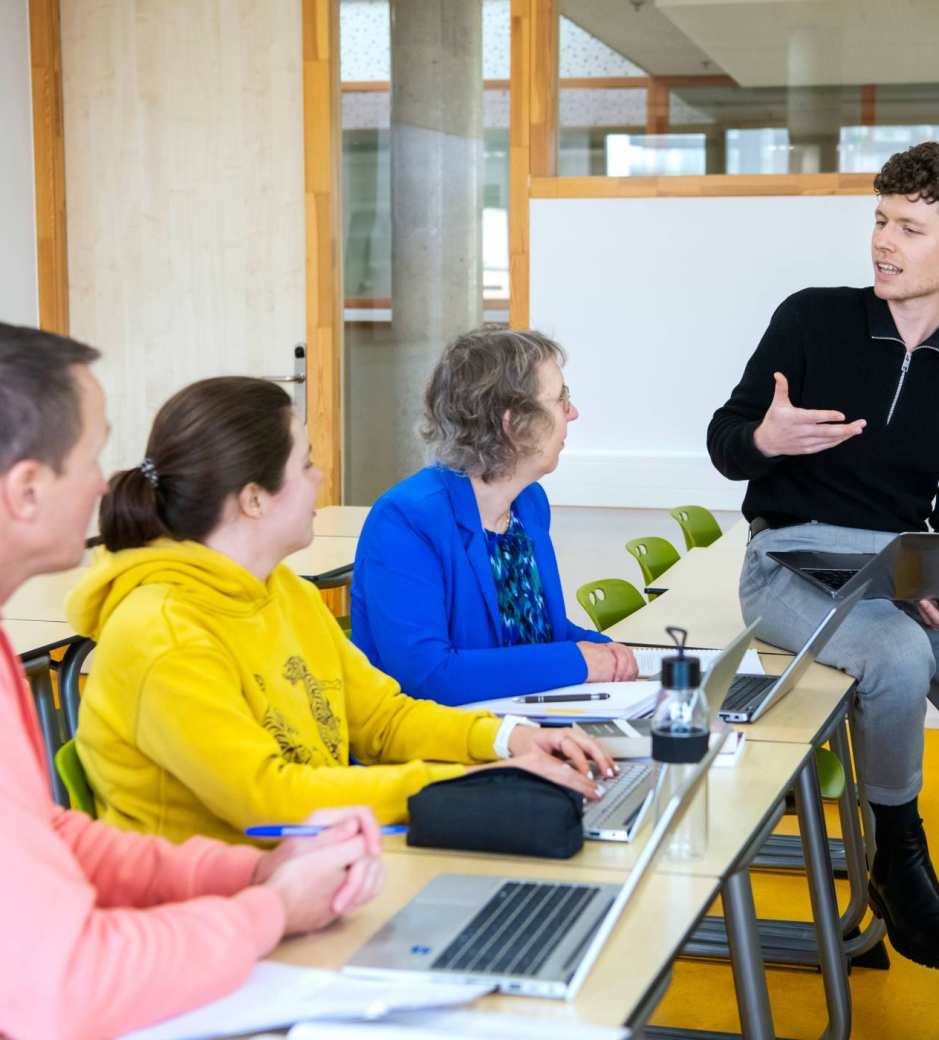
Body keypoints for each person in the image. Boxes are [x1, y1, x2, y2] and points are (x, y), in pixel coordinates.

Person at [707, 141, 939, 1038]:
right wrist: (767, 442)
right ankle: (898, 847)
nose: (883, 242)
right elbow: (727, 440)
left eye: (909, 227)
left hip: (904, 567)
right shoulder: (812, 319)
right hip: (790, 561)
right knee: (895, 653)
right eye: (880, 220)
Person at [0, 325, 385, 1040]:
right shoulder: (160, 628)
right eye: (90, 455)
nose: (105, 482)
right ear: (26, 490)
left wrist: (251, 874)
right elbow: (60, 986)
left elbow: (51, 837)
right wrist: (268, 910)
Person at [70, 375, 613, 848]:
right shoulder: (162, 635)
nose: (321, 477)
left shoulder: (284, 592)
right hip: (213, 912)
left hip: (319, 866)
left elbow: (383, 718)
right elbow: (269, 798)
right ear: (254, 498)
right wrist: (472, 783)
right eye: (304, 463)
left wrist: (508, 739)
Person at [350, 329, 638, 705]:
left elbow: (542, 633)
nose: (573, 412)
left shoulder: (529, 503)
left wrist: (613, 653)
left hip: (520, 728)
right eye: (561, 399)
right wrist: (579, 660)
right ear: (514, 423)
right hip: (431, 751)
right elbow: (430, 676)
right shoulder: (406, 520)